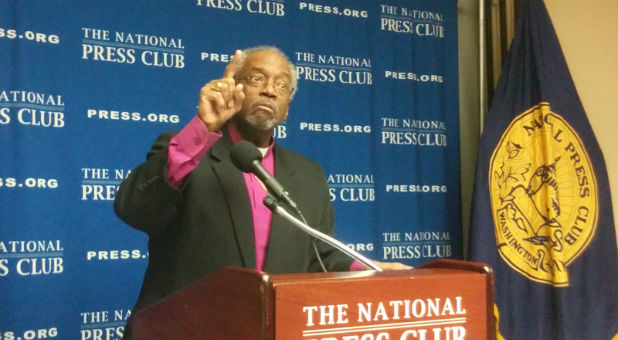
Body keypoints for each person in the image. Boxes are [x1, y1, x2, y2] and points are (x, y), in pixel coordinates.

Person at [114, 46, 408, 339]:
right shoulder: (187, 149)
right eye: (257, 79)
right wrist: (202, 128)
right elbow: (134, 209)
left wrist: (371, 269)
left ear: (288, 107)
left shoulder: (308, 175)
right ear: (235, 88)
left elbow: (322, 256)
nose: (269, 90)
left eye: (281, 85)